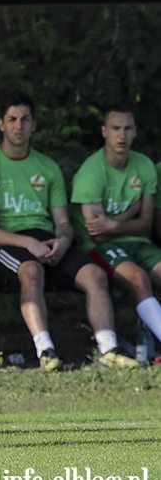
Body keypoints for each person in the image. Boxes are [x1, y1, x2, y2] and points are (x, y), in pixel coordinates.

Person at [0, 93, 137, 371]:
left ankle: (108, 349)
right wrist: (27, 243)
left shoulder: (48, 167)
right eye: (12, 119)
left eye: (25, 119)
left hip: (46, 242)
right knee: (31, 271)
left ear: (34, 124)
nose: (18, 126)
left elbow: (63, 222)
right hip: (6, 243)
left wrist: (62, 241)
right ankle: (45, 351)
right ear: (2, 124)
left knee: (95, 274)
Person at [70, 104, 161, 348]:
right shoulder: (91, 172)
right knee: (139, 279)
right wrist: (131, 213)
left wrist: (114, 223)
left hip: (139, 244)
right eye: (115, 128)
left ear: (135, 132)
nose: (121, 135)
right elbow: (98, 235)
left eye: (127, 128)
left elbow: (146, 225)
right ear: (104, 131)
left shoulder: (144, 166)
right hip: (99, 248)